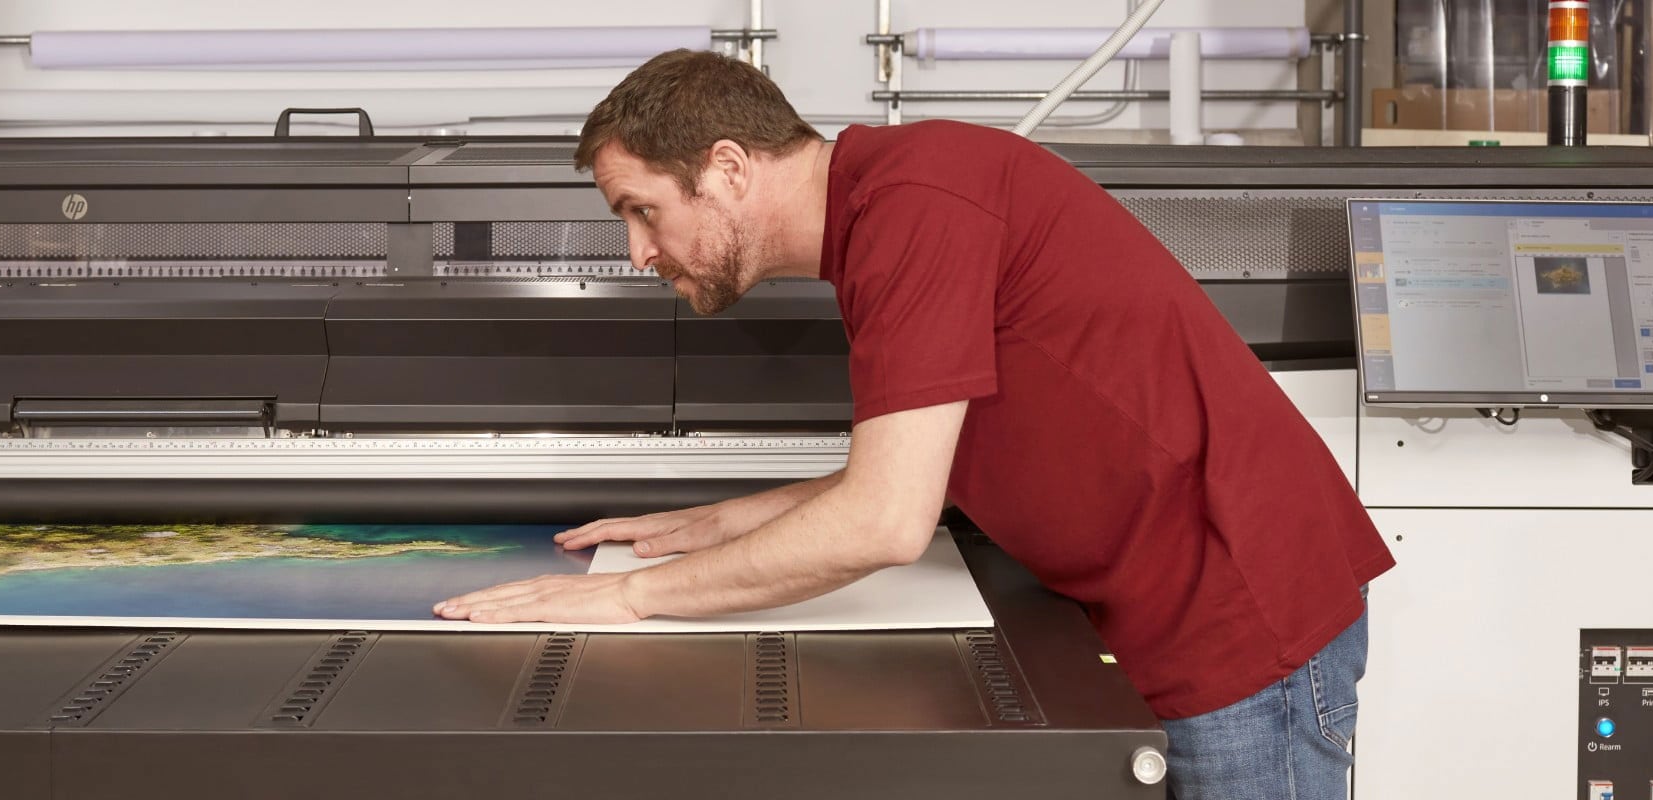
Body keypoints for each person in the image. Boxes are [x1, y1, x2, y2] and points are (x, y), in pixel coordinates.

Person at [431, 50, 1393, 800]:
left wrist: (626, 601)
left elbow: (887, 520)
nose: (638, 251)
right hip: (1165, 618)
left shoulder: (914, 206)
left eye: (640, 211)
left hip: (1238, 630)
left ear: (727, 168)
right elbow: (936, 454)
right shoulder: (883, 216)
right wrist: (731, 521)